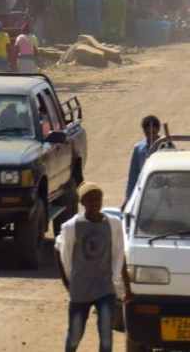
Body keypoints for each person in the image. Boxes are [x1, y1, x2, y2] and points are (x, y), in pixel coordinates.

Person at [55, 182, 128, 352]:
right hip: (80, 289)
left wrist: (127, 288)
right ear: (82, 203)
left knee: (106, 338)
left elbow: (119, 254)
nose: (95, 203)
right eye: (91, 199)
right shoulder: (72, 226)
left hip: (105, 288)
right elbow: (58, 249)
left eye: (98, 199)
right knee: (74, 336)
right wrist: (67, 282)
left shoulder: (113, 224)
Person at [125, 115, 161, 203]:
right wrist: (128, 199)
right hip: (144, 191)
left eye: (153, 132)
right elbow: (133, 175)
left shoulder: (167, 146)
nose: (150, 136)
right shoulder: (138, 149)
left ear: (158, 130)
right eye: (147, 133)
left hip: (161, 192)